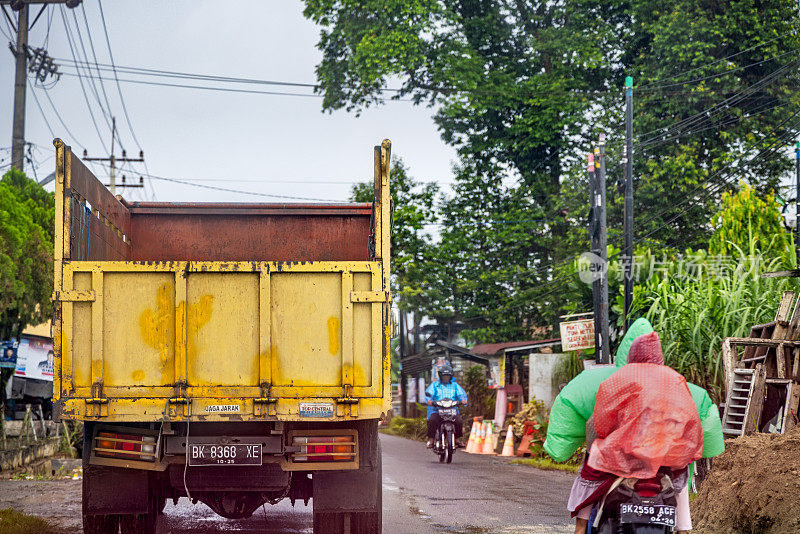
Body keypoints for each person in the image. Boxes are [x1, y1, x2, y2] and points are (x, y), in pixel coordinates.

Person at [568, 332, 702, 534]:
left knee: (591, 467)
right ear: (659, 356)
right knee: (680, 475)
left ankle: (579, 529)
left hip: (624, 456)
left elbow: (601, 422)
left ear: (632, 355)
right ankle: (683, 530)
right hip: (664, 456)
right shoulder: (675, 379)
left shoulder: (619, 378)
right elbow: (690, 419)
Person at [425, 364, 467, 448]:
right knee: (432, 420)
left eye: (448, 376)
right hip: (437, 410)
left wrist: (463, 400)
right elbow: (428, 395)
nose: (446, 378)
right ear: (440, 376)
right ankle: (431, 440)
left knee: (458, 421)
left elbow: (461, 394)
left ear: (451, 376)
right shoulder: (434, 385)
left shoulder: (455, 385)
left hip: (452, 409)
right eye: (444, 376)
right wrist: (429, 401)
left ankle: (457, 439)